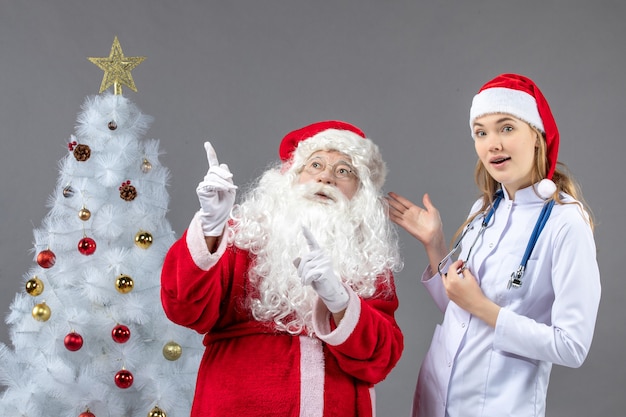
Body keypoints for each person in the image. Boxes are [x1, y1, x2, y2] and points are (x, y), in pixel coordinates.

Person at [387, 73, 601, 417]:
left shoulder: (566, 224)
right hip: (435, 398)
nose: (492, 144)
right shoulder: (484, 211)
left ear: (536, 135)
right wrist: (435, 244)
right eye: (481, 132)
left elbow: (572, 346)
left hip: (499, 406)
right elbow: (459, 307)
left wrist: (485, 308)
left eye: (506, 128)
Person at [161, 120, 403, 417]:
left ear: (359, 191)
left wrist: (341, 303)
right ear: (291, 175)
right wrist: (211, 226)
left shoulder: (369, 259)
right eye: (315, 165)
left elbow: (381, 358)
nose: (326, 178)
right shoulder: (245, 235)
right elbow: (183, 307)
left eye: (343, 171)